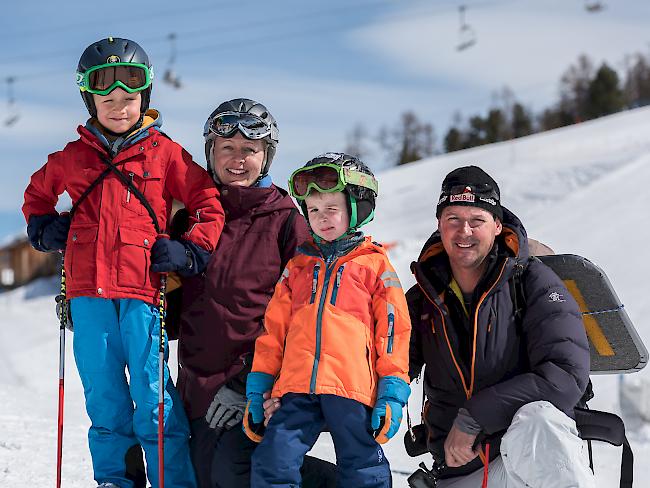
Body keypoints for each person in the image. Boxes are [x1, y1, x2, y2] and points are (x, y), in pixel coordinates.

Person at [22, 37, 224, 488]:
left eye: (129, 98)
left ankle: (174, 482)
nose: (119, 107)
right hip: (87, 299)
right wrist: (42, 225)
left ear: (144, 98)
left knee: (155, 400)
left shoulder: (165, 153)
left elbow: (207, 199)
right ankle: (117, 479)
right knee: (105, 401)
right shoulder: (71, 157)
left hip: (143, 296)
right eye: (107, 99)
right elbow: (37, 195)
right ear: (89, 100)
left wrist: (191, 249)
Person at [170, 98, 333, 488]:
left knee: (236, 473)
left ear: (267, 156)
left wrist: (248, 385)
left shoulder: (287, 224)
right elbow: (173, 306)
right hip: (196, 389)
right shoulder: (192, 219)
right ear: (211, 153)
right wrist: (99, 306)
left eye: (250, 150)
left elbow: (307, 317)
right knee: (194, 477)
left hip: (255, 387)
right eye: (226, 147)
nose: (237, 159)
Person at [407, 165, 594, 487]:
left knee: (540, 420)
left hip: (528, 460)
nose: (464, 231)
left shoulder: (532, 282)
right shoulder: (423, 296)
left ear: (496, 225)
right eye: (453, 219)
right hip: (460, 471)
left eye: (476, 220)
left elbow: (565, 376)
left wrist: (473, 418)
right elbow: (388, 365)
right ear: (439, 224)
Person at [244, 153, 412, 488]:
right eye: (314, 210)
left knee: (362, 466)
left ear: (356, 208)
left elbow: (393, 333)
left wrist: (391, 393)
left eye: (331, 209)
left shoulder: (374, 265)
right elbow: (273, 332)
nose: (322, 218)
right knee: (273, 458)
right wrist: (259, 386)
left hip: (351, 388)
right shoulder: (298, 267)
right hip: (296, 388)